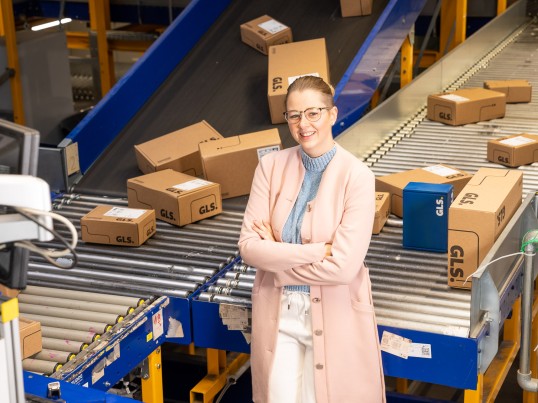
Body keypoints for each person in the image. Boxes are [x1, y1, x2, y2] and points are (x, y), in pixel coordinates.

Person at [238, 75, 385, 403]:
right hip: (279, 316)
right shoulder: (270, 167)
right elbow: (249, 247)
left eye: (313, 113)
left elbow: (344, 269)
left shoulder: (357, 177)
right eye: (294, 115)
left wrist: (276, 259)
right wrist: (320, 250)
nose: (303, 124)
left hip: (335, 315)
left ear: (332, 115)